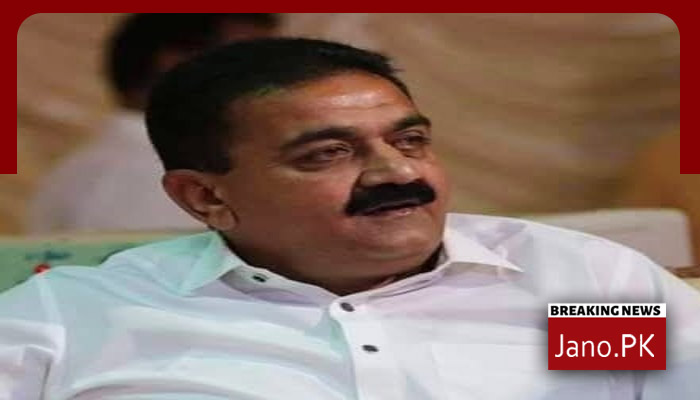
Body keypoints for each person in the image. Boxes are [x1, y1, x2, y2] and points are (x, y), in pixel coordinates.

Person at [2, 38, 699, 399]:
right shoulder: (71, 322)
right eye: (327, 154)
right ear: (204, 197)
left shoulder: (571, 286)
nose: (397, 174)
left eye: (410, 141)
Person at [28, 13, 281, 233]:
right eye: (252, 64)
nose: (275, 83)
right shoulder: (147, 175)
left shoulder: (105, 165)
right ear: (176, 63)